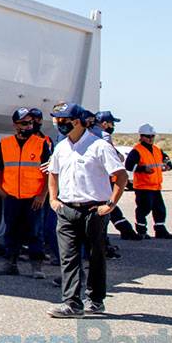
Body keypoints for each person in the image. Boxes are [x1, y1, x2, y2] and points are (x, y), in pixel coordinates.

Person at [46, 103, 128, 318]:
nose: (59, 124)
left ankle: (95, 299)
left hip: (94, 210)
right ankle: (72, 303)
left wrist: (110, 204)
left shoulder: (99, 146)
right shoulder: (61, 147)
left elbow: (121, 176)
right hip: (67, 210)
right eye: (57, 121)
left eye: (63, 121)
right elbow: (52, 173)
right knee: (68, 257)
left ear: (77, 121)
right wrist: (54, 199)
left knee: (95, 256)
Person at [0, 108, 52, 278]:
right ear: (15, 125)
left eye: (31, 122)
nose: (29, 126)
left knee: (35, 232)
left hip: (33, 198)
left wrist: (42, 194)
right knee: (11, 231)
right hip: (12, 196)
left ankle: (36, 267)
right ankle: (10, 264)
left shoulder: (40, 144)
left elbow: (48, 172)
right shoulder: (6, 144)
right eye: (24, 123)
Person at [94, 111, 142, 242]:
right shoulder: (104, 136)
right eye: (111, 123)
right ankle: (109, 239)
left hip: (95, 178)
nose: (113, 126)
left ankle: (125, 229)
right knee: (106, 206)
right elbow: (114, 155)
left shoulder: (87, 134)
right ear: (104, 123)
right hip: (102, 178)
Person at [126, 124, 172, 239]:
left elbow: (166, 158)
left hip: (156, 186)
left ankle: (160, 230)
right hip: (143, 187)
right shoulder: (137, 151)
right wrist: (143, 169)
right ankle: (141, 230)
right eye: (148, 136)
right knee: (144, 208)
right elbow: (128, 166)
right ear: (141, 137)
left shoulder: (157, 149)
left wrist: (168, 165)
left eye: (152, 136)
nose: (151, 139)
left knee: (160, 209)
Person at [29, 108, 61, 265]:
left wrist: (45, 192)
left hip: (43, 188)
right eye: (31, 119)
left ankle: (41, 252)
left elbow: (51, 165)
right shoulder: (23, 140)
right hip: (27, 188)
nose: (34, 122)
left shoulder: (46, 141)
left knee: (42, 224)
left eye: (36, 119)